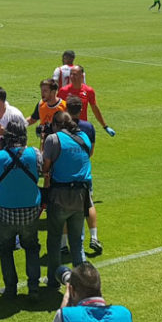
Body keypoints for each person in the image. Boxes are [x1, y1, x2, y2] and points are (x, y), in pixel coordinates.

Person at [0, 117, 43, 300]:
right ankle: (34, 288)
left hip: (5, 211)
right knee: (32, 247)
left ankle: (10, 288)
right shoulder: (35, 153)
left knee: (5, 249)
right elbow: (41, 171)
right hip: (30, 210)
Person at [42, 262, 135, 322]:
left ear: (72, 291)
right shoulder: (124, 315)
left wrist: (64, 306)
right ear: (99, 287)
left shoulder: (66, 317)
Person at [43, 111, 93, 281]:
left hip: (60, 195)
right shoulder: (84, 137)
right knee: (77, 241)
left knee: (55, 240)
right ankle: (83, 282)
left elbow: (45, 167)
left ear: (56, 125)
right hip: (81, 195)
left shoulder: (53, 139)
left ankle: (54, 279)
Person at [66, 96, 102, 254]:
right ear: (81, 109)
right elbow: (91, 151)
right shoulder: (89, 127)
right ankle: (94, 237)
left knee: (64, 207)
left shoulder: (62, 127)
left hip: (65, 172)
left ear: (66, 109)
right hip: (83, 171)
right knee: (89, 204)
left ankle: (62, 244)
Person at [58, 66, 115, 137]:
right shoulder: (63, 91)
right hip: (67, 127)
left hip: (82, 127)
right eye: (71, 74)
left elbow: (95, 109)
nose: (72, 76)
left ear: (82, 76)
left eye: (75, 74)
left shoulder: (88, 91)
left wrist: (105, 126)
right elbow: (57, 110)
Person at [27, 78, 67, 147]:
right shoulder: (41, 104)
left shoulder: (64, 107)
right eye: (41, 90)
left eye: (45, 91)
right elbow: (33, 119)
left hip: (61, 145)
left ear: (53, 92)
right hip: (45, 145)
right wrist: (19, 124)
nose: (42, 93)